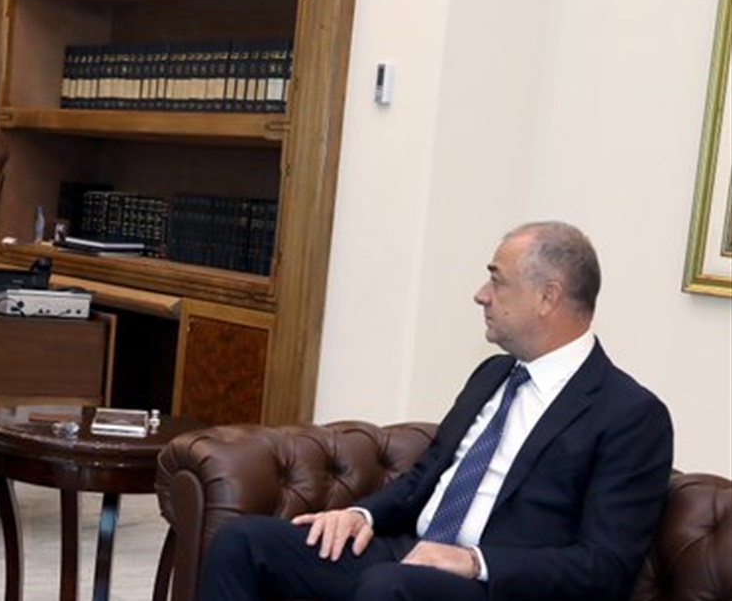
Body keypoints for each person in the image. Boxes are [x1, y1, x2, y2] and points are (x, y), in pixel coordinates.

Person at [199, 221, 673, 601]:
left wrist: (473, 562)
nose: (481, 294)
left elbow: (605, 566)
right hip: (408, 557)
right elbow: (424, 479)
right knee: (244, 541)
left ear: (547, 297)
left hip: (494, 585)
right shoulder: (493, 374)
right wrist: (362, 514)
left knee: (388, 586)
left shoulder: (630, 414)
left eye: (497, 280)